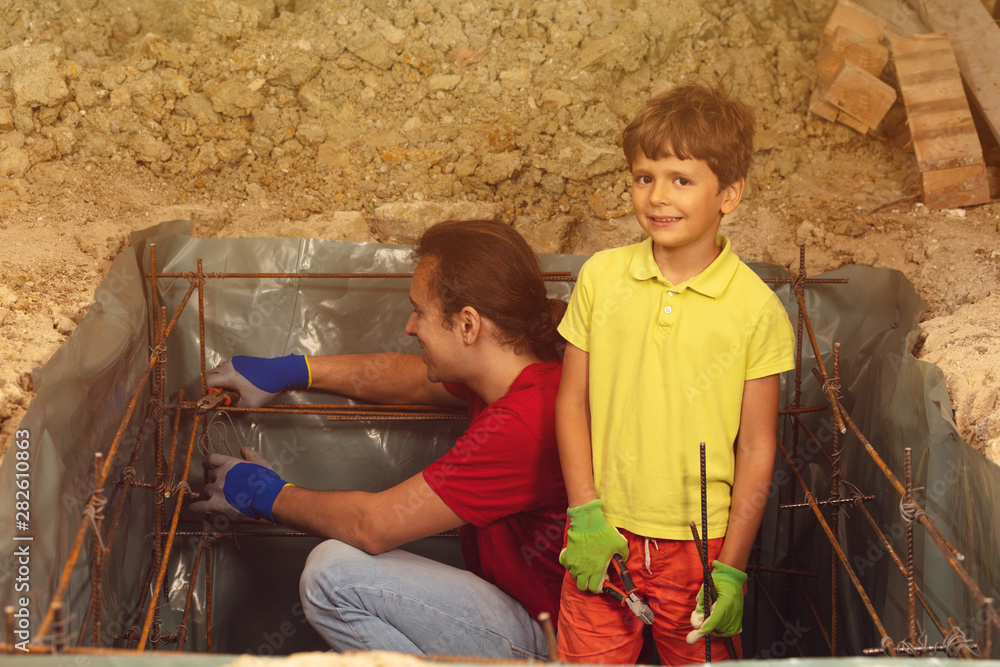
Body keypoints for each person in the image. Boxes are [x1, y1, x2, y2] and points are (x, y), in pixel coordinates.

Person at [191, 220, 569, 660]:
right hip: (533, 609)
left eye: (420, 311)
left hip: (557, 643)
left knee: (334, 575)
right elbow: (411, 381)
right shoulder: (521, 371)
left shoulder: (521, 424)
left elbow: (373, 526)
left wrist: (266, 495)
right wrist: (295, 370)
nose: (410, 327)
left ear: (468, 325)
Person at [554, 82, 796, 664]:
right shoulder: (601, 278)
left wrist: (732, 566)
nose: (657, 196)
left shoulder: (755, 308)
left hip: (701, 548)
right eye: (644, 177)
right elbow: (571, 403)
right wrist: (585, 514)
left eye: (681, 180)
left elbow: (759, 448)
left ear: (730, 194)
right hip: (605, 533)